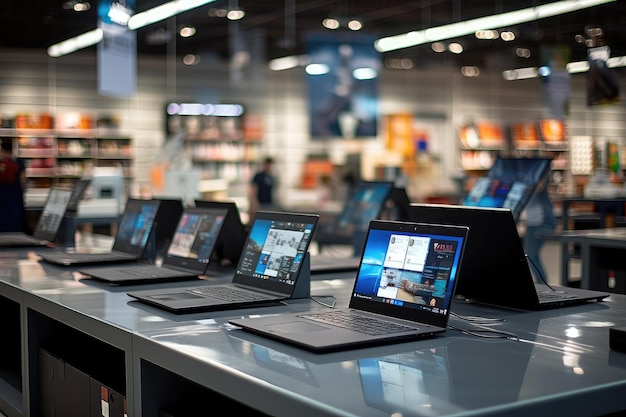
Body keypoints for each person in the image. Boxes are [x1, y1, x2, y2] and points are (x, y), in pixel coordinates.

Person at [523, 174, 557, 283]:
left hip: (541, 222)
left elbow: (540, 187)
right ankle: (541, 283)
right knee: (530, 255)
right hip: (531, 222)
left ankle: (542, 283)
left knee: (531, 255)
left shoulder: (538, 178)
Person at [0, 138, 26, 232]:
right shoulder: (19, 163)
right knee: (14, 225)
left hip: (2, 201)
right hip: (15, 201)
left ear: (2, 150)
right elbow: (23, 183)